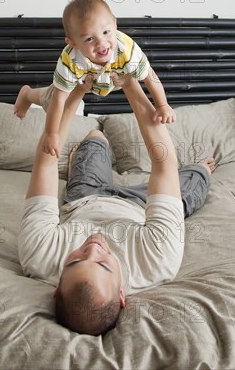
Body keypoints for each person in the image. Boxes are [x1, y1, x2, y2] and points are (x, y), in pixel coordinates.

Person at [18, 74, 214, 336]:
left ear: (56, 286)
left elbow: (46, 161)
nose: (93, 248)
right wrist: (132, 85)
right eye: (103, 264)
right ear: (122, 293)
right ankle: (199, 170)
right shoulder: (157, 261)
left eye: (74, 262)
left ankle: (89, 153)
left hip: (84, 197)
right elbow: (163, 165)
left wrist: (76, 93)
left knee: (95, 135)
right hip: (141, 208)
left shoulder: (39, 256)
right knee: (199, 174)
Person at [14, 0, 176, 159]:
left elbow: (150, 76)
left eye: (106, 32)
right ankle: (27, 94)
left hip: (116, 79)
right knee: (49, 100)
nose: (102, 43)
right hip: (80, 81)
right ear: (73, 43)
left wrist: (162, 105)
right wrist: (51, 133)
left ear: (114, 23)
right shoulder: (70, 60)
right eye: (90, 39)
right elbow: (59, 98)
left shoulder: (126, 50)